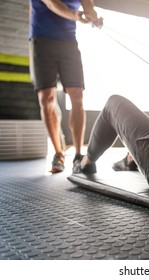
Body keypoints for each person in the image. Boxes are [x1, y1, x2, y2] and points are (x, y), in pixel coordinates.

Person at [29, 0, 102, 173]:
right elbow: (52, 4)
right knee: (46, 98)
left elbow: (88, 6)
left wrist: (94, 18)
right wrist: (74, 15)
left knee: (77, 96)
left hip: (69, 41)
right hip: (42, 39)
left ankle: (78, 154)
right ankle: (58, 153)